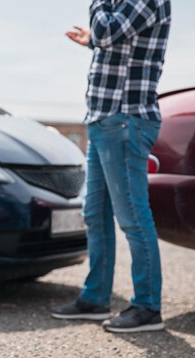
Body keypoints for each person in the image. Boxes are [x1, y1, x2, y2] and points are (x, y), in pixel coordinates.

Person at [51, 0, 171, 333]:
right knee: (95, 212)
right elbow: (112, 41)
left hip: (125, 122)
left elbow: (109, 30)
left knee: (132, 216)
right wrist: (93, 39)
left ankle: (148, 307)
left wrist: (98, 18)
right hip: (103, 121)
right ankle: (95, 298)